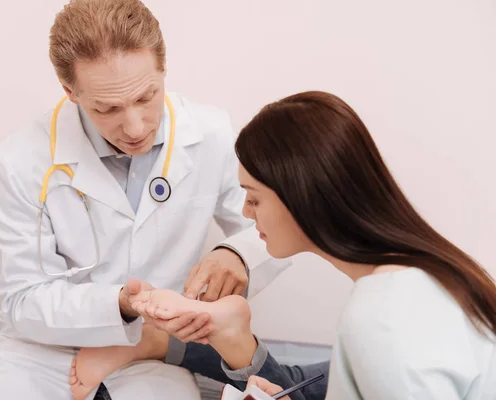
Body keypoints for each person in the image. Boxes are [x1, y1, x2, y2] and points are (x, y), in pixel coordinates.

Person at [0, 0, 318, 399]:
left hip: (152, 350)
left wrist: (235, 254)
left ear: (163, 69)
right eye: (108, 108)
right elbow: (23, 301)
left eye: (147, 97)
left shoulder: (210, 133)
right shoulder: (19, 161)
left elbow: (273, 228)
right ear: (70, 92)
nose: (134, 127)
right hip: (41, 350)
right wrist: (121, 304)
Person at [116, 91, 496, 399]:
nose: (246, 213)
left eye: (253, 196)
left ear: (301, 196)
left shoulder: (380, 324)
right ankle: (223, 339)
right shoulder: (435, 273)